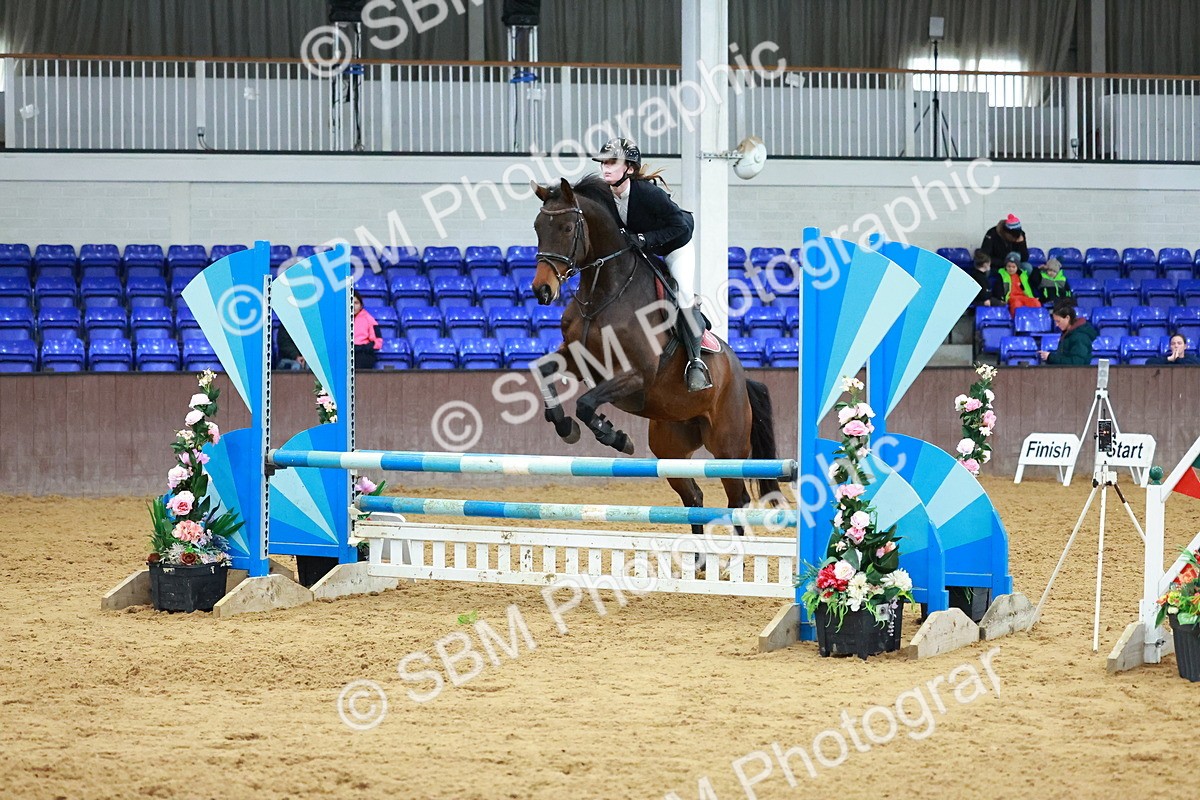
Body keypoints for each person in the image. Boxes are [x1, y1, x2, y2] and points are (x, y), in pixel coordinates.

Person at [592, 136, 709, 392]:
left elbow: (680, 226)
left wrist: (645, 239)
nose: (605, 168)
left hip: (675, 247)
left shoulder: (648, 194)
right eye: (604, 163)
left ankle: (696, 362)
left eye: (612, 163)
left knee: (684, 294)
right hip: (644, 250)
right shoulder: (604, 196)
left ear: (629, 169)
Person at [352, 290, 382, 369]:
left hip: (362, 353)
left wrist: (364, 347)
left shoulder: (369, 319)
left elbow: (378, 341)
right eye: (350, 302)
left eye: (356, 303)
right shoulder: (339, 320)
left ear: (361, 305)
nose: (353, 306)